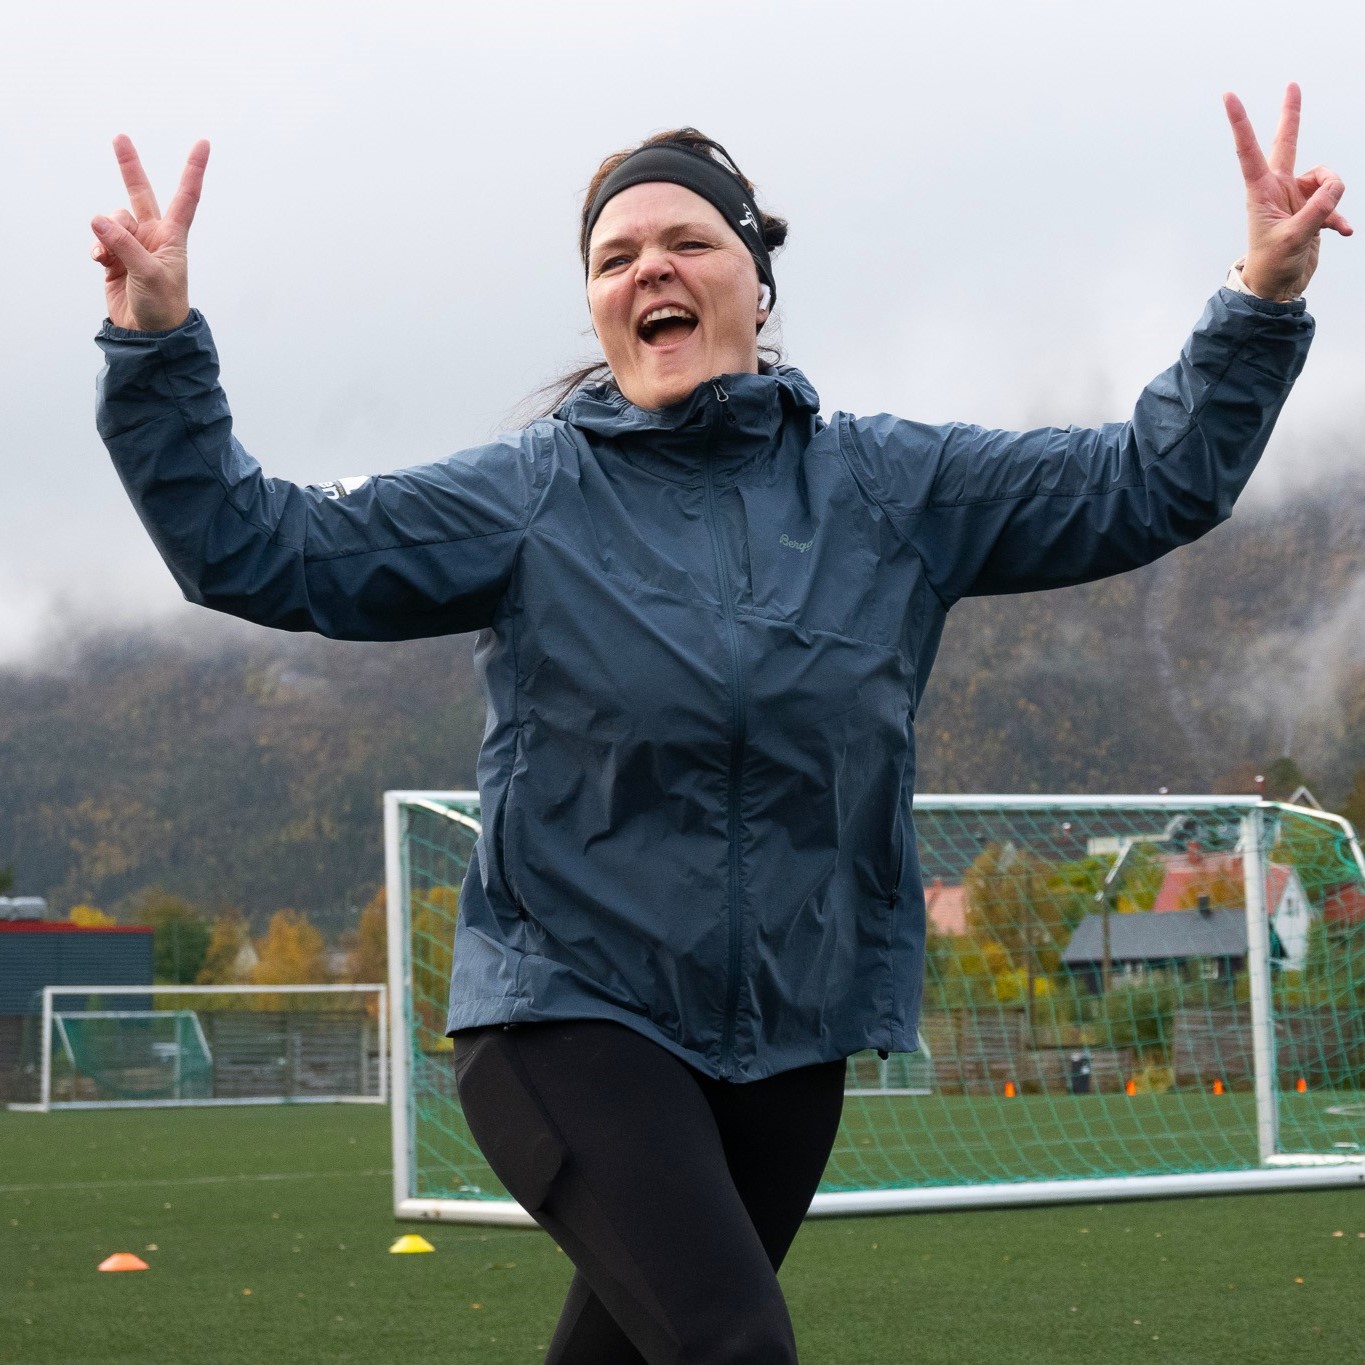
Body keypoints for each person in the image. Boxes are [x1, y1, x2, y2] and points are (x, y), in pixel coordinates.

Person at [91, 87, 1347, 1364]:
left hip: (790, 1035)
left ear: (757, 278)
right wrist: (157, 346)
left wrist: (1261, 297)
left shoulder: (889, 488)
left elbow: (1146, 482)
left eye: (687, 241)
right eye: (614, 257)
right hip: (566, 1012)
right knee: (733, 1345)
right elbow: (260, 547)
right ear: (596, 306)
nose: (651, 269)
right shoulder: (531, 499)